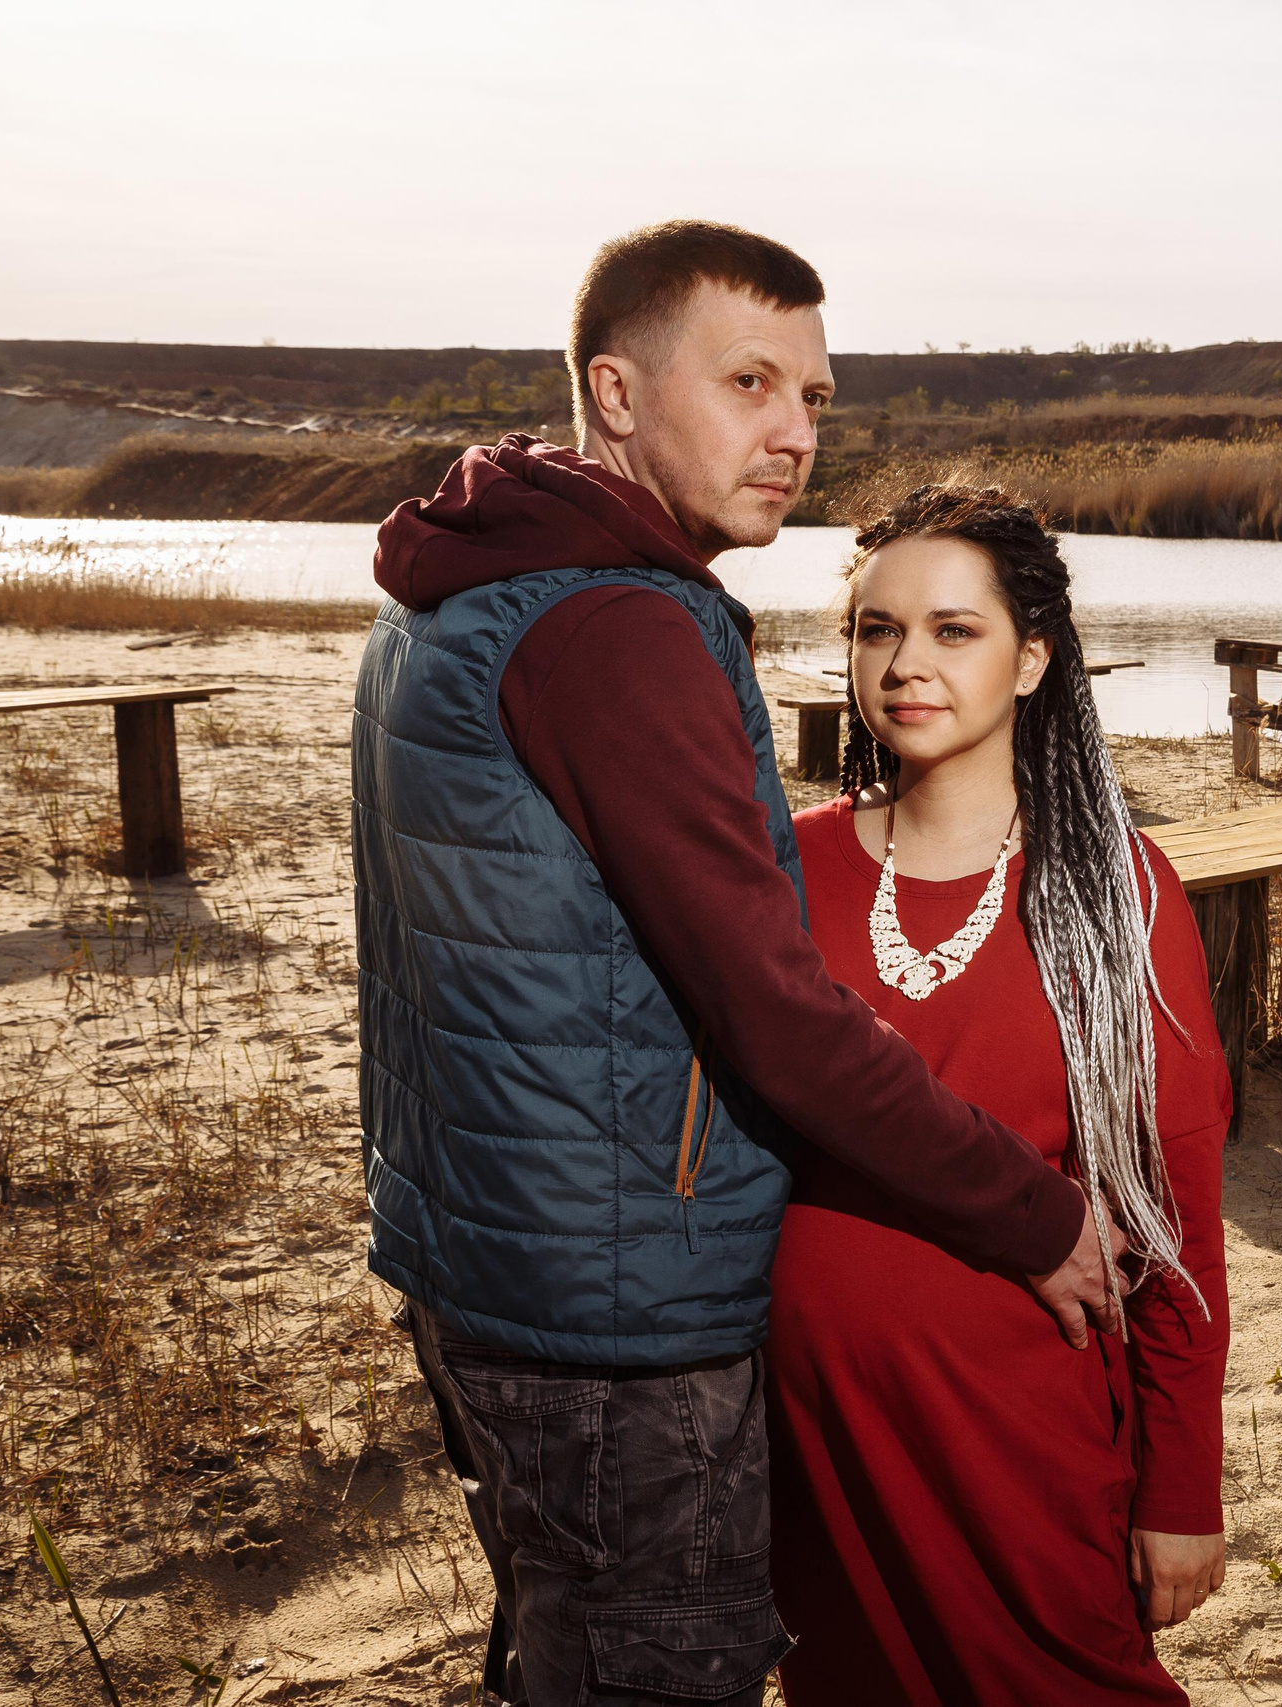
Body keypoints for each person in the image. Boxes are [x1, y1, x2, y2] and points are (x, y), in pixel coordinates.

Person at [353, 222, 1122, 1707]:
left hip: (490, 1257)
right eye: (751, 381)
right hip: (616, 1306)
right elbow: (776, 1018)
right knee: (665, 1667)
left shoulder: (466, 580)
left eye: (816, 397)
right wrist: (1030, 1211)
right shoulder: (617, 626)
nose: (793, 433)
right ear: (619, 393)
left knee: (565, 1649)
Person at [765, 483, 1232, 1705]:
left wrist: (1182, 1491)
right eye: (876, 629)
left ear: (1031, 660)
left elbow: (1177, 1220)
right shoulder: (784, 863)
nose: (906, 663)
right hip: (806, 1446)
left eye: (951, 630)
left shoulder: (1115, 890)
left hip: (1016, 1430)